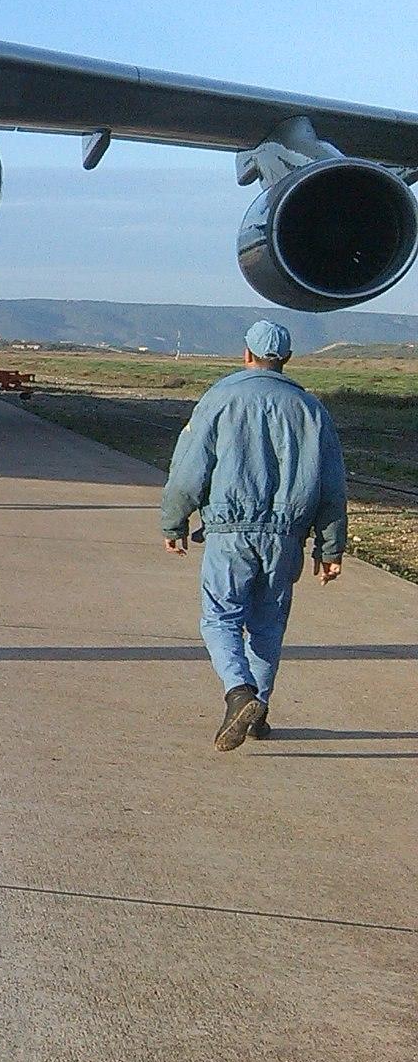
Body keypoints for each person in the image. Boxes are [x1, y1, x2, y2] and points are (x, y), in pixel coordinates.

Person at [160, 320, 346, 751]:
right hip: (287, 536)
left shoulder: (220, 399)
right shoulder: (311, 409)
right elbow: (332, 484)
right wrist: (330, 547)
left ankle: (239, 692)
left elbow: (188, 471)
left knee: (221, 618)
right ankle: (258, 713)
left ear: (246, 354)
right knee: (267, 624)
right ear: (286, 359)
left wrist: (174, 521)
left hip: (229, 532)